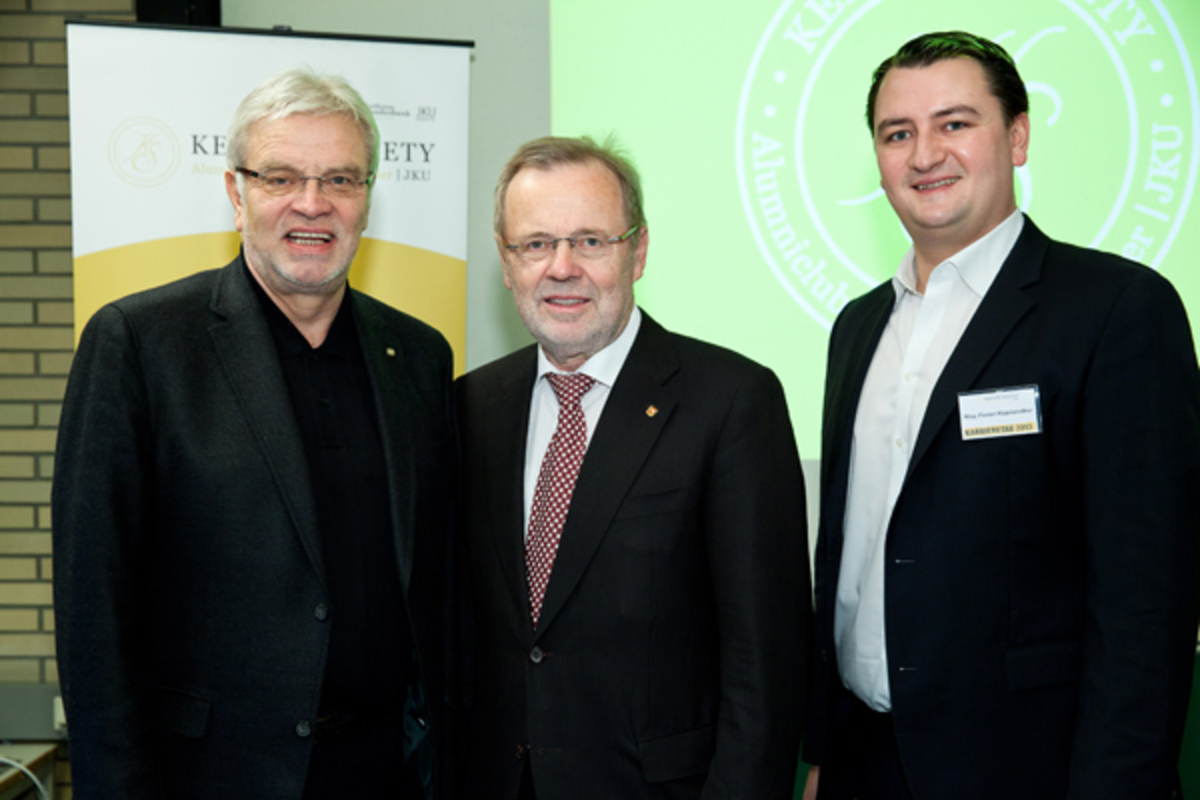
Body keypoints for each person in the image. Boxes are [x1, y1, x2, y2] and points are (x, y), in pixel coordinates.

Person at [803, 31, 1200, 800]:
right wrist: (823, 752)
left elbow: (1147, 603)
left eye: (955, 124)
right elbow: (847, 558)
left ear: (1016, 136)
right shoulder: (856, 327)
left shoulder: (1117, 310)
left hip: (1030, 769)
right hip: (865, 763)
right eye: (898, 133)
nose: (924, 155)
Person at [52, 69, 456, 800]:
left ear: (368, 195)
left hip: (385, 774)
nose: (313, 203)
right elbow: (93, 616)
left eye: (340, 178)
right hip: (210, 778)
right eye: (281, 178)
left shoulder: (419, 356)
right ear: (237, 195)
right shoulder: (141, 345)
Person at [456, 135, 811, 799]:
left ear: (638, 250)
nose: (562, 268)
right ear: (506, 265)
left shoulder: (732, 401)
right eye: (535, 245)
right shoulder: (468, 406)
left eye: (591, 241)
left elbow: (767, 664)